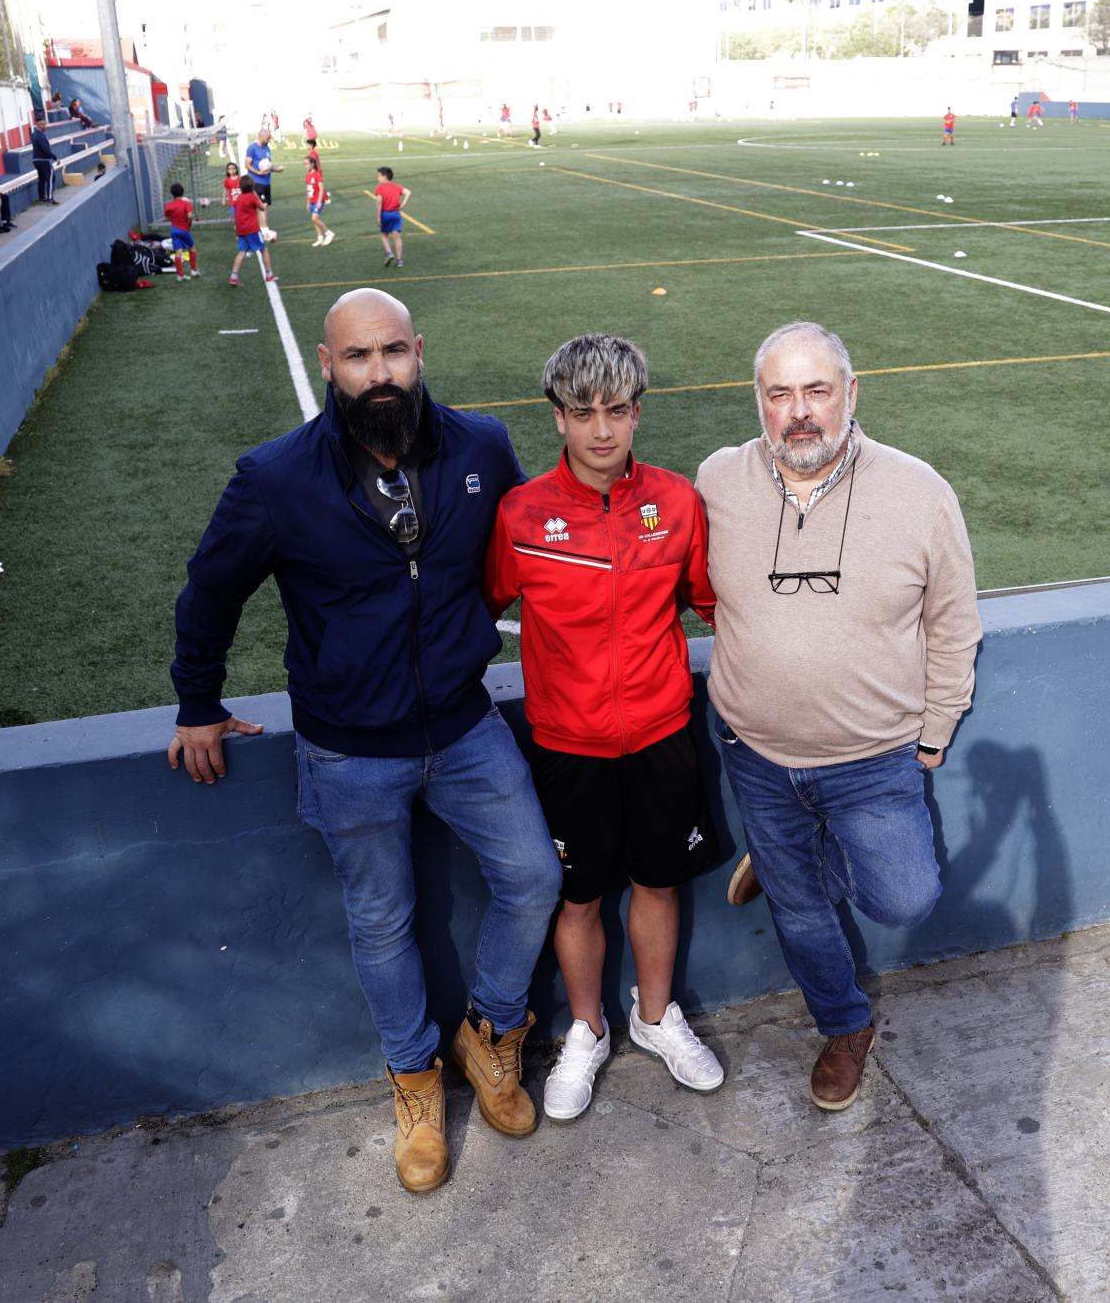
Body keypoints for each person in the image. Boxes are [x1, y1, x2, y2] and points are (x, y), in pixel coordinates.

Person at [169, 288, 561, 1195]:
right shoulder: (274, 477)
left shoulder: (482, 447)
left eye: (393, 352)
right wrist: (198, 702)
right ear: (328, 364)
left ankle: (491, 1034)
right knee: (381, 923)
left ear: (419, 351)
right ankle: (416, 1084)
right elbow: (210, 591)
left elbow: (521, 557)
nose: (379, 372)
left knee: (535, 875)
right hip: (348, 750)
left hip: (464, 724)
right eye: (358, 357)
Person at [698, 322, 981, 1114]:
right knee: (796, 911)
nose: (799, 413)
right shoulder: (719, 477)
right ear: (758, 402)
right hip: (754, 750)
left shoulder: (920, 491)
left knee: (904, 897)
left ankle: (795, 864)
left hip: (874, 758)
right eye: (779, 393)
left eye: (817, 390)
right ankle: (844, 1023)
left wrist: (937, 728)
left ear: (851, 394)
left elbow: (954, 621)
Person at [484, 333, 724, 1122]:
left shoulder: (679, 501)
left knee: (658, 882)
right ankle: (586, 1030)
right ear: (556, 416)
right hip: (566, 746)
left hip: (662, 733)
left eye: (616, 411)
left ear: (637, 413)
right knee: (579, 896)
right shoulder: (520, 515)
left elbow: (711, 601)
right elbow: (476, 610)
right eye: (582, 412)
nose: (601, 430)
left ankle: (654, 1019)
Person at [226, 180, 276, 285]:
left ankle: (233, 276)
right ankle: (269, 274)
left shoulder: (239, 198)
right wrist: (258, 197)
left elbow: (235, 209)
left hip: (241, 230)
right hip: (252, 229)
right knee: (264, 249)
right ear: (252, 187)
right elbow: (262, 208)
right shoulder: (252, 197)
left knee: (242, 252)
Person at [375, 166, 409, 268]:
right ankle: (399, 261)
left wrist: (378, 217)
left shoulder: (379, 188)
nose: (377, 178)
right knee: (397, 237)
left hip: (385, 214)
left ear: (384, 176)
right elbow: (408, 193)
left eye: (379, 176)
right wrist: (403, 205)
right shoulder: (396, 187)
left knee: (384, 235)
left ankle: (389, 253)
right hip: (396, 214)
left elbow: (379, 202)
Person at [163, 183, 198, 281]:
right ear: (183, 193)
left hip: (174, 230)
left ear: (172, 194)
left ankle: (180, 275)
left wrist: (173, 219)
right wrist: (189, 224)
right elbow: (190, 216)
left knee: (178, 252)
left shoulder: (169, 205)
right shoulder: (186, 204)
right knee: (192, 248)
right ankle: (193, 270)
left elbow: (166, 218)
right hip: (184, 230)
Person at [244, 128, 281, 209]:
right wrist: (258, 173)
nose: (269, 140)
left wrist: (277, 170)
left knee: (265, 205)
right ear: (262, 137)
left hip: (266, 182)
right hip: (256, 182)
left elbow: (268, 166)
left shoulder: (267, 148)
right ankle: (262, 222)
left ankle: (260, 222)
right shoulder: (252, 148)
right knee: (262, 205)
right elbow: (247, 165)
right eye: (268, 138)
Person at [29, 114, 59, 205]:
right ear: (37, 124)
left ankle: (41, 198)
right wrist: (55, 157)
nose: (44, 126)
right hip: (44, 160)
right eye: (42, 124)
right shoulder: (40, 135)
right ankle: (50, 198)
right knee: (50, 178)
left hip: (36, 160)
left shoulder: (34, 134)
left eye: (45, 124)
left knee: (41, 179)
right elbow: (45, 149)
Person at [306, 161, 334, 247]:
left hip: (318, 200)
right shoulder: (308, 175)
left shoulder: (317, 174)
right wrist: (308, 202)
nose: (305, 166)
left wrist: (319, 201)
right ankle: (320, 237)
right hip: (312, 200)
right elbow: (308, 190)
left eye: (307, 164)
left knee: (314, 218)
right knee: (314, 220)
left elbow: (321, 188)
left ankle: (328, 233)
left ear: (312, 164)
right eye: (304, 164)